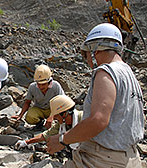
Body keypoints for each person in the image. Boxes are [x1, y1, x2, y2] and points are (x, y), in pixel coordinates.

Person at [46, 23, 145, 168]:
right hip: (129, 157)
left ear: (94, 49)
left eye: (86, 54)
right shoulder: (128, 73)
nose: (88, 60)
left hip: (102, 159)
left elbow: (98, 120)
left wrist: (62, 140)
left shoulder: (105, 71)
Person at [15, 95, 83, 152]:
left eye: (56, 115)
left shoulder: (83, 118)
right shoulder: (61, 124)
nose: (55, 118)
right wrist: (26, 142)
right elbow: (45, 135)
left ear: (64, 114)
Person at [12, 64, 65, 129]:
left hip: (53, 109)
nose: (41, 87)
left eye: (43, 84)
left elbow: (61, 102)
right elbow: (27, 102)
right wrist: (20, 115)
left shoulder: (56, 86)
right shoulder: (32, 87)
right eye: (39, 84)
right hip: (39, 109)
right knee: (29, 117)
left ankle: (55, 124)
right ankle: (40, 122)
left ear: (49, 82)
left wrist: (51, 117)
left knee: (64, 113)